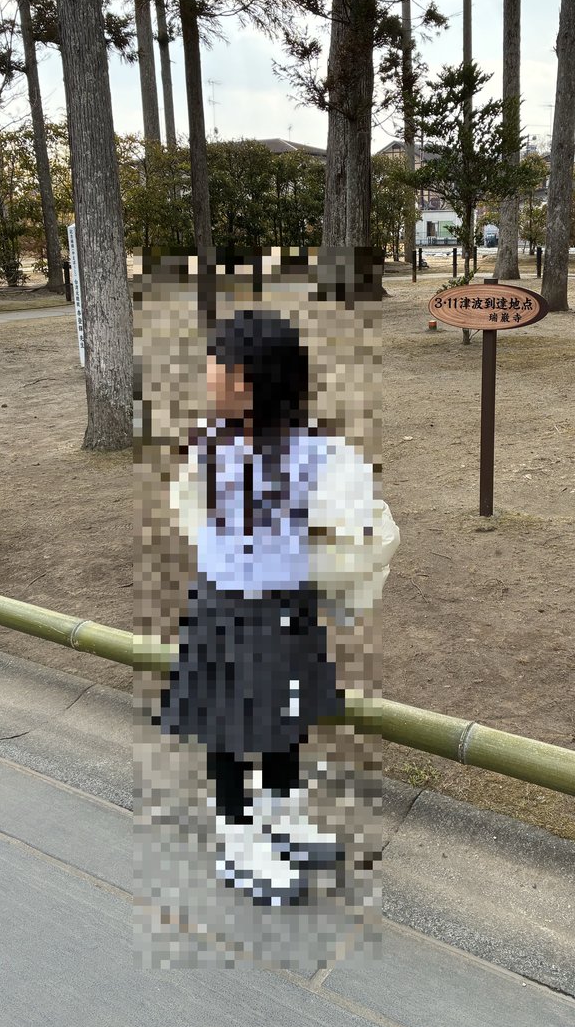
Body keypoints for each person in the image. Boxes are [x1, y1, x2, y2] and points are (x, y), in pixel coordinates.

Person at [155, 309, 399, 907]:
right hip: (228, 607)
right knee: (231, 726)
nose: (208, 372)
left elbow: (352, 520)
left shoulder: (308, 450)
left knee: (286, 714)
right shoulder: (210, 443)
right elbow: (189, 512)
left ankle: (282, 816)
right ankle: (238, 838)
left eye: (220, 363)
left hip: (286, 603)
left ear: (252, 378)